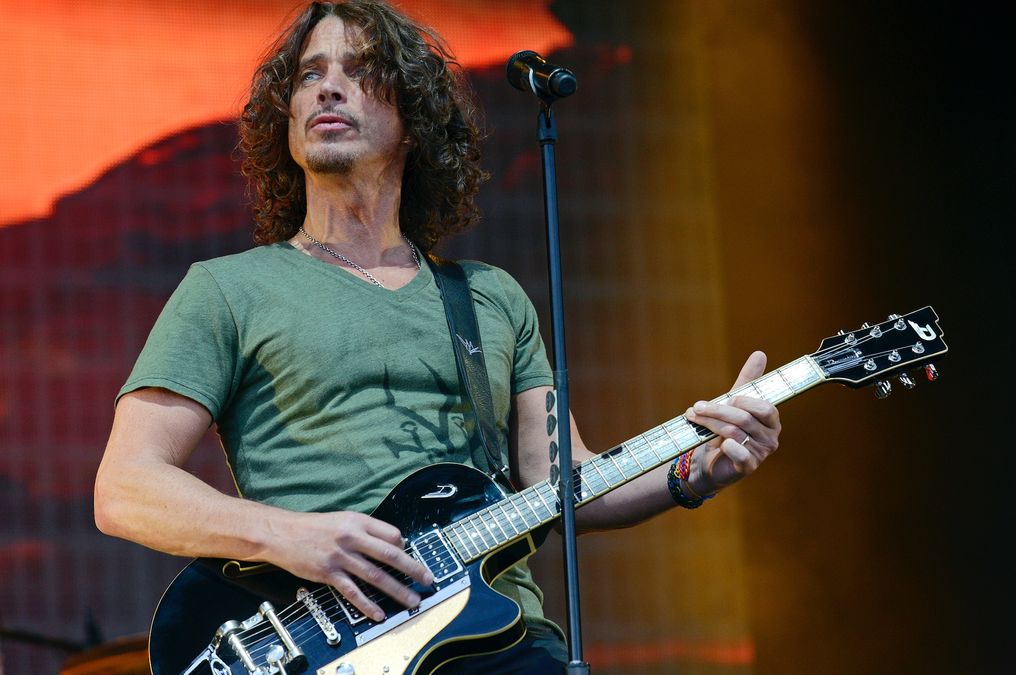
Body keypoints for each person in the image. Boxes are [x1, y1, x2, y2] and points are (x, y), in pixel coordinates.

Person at [93, 1, 782, 671]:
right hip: (320, 643)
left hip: (496, 636)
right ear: (288, 117)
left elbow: (566, 485)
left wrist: (699, 469)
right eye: (309, 73)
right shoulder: (228, 290)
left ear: (414, 119)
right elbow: (126, 487)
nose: (328, 84)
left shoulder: (489, 298)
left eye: (360, 70)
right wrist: (290, 535)